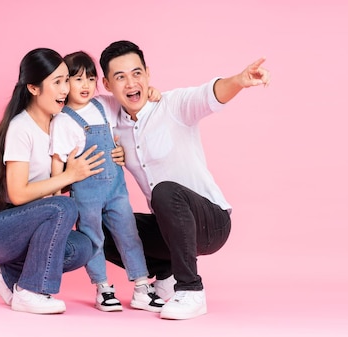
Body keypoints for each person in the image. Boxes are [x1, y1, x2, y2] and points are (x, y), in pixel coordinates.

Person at [99, 40, 271, 320]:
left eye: (137, 73)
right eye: (120, 77)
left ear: (148, 74)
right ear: (107, 84)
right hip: (168, 230)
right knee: (101, 226)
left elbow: (207, 95)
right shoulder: (111, 116)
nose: (131, 83)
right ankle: (165, 276)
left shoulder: (173, 105)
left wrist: (239, 81)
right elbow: (77, 102)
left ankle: (191, 290)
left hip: (211, 222)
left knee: (164, 192)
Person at [0, 48, 122, 314]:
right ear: (34, 88)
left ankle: (7, 276)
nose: (65, 90)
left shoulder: (61, 124)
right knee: (65, 208)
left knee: (82, 247)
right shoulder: (21, 128)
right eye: (57, 82)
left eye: (67, 80)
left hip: (23, 224)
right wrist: (68, 176)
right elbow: (17, 194)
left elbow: (53, 186)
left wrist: (113, 155)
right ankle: (31, 290)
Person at [49, 51, 164, 313]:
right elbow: (58, 161)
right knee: (93, 239)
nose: (86, 85)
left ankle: (142, 287)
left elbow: (133, 99)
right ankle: (102, 287)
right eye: (78, 80)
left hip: (116, 190)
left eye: (91, 78)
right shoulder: (64, 121)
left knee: (129, 234)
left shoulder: (104, 104)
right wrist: (55, 194)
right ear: (65, 84)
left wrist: (152, 92)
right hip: (85, 193)